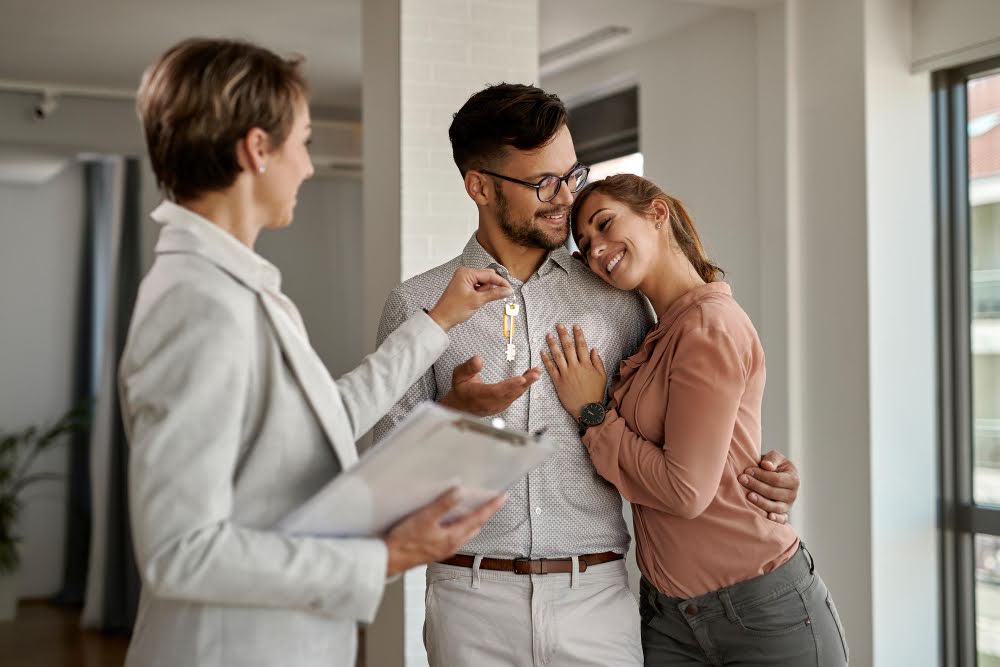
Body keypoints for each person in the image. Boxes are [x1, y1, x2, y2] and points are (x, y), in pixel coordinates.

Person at [374, 84, 802, 666]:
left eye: (571, 174)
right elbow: (390, 489)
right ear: (479, 186)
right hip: (469, 601)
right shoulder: (418, 305)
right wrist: (449, 418)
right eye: (541, 183)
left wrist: (763, 474)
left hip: (598, 603)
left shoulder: (617, 301)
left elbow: (677, 436)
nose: (564, 197)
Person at [119, 38, 510, 667]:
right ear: (257, 148)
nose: (308, 164)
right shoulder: (198, 305)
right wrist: (386, 555)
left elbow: (321, 416)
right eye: (302, 141)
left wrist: (439, 321)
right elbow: (179, 552)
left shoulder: (232, 288)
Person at [541, 173, 848, 666]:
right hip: (670, 617)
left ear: (657, 214)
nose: (597, 249)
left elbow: (685, 491)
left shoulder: (708, 326)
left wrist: (592, 414)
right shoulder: (660, 330)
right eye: (586, 244)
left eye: (604, 224)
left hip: (761, 613)